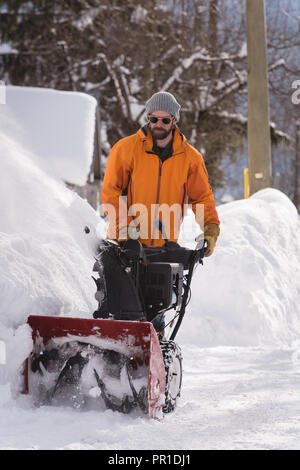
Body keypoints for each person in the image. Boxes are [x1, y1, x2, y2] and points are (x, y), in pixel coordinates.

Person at [101, 91, 220, 255]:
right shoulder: (125, 149)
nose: (159, 124)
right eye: (154, 119)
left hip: (165, 248)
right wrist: (125, 229)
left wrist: (210, 228)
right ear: (148, 118)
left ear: (174, 121)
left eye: (165, 120)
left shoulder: (191, 158)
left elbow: (201, 197)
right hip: (124, 245)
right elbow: (110, 193)